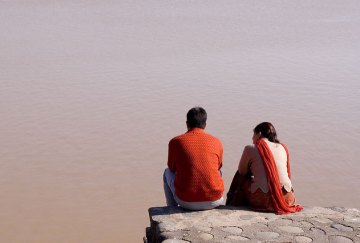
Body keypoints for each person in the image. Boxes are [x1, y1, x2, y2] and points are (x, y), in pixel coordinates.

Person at [226, 122, 303, 214]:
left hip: (263, 201)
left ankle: (232, 202)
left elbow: (242, 172)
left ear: (259, 134)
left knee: (239, 176)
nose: (252, 138)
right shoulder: (283, 147)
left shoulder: (250, 148)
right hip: (287, 199)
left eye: (253, 134)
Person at [163, 107, 224, 210]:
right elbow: (218, 167)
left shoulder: (175, 141)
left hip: (185, 201)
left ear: (187, 124)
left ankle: (171, 208)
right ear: (205, 124)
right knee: (218, 171)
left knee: (166, 172)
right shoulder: (216, 141)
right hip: (215, 200)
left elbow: (172, 168)